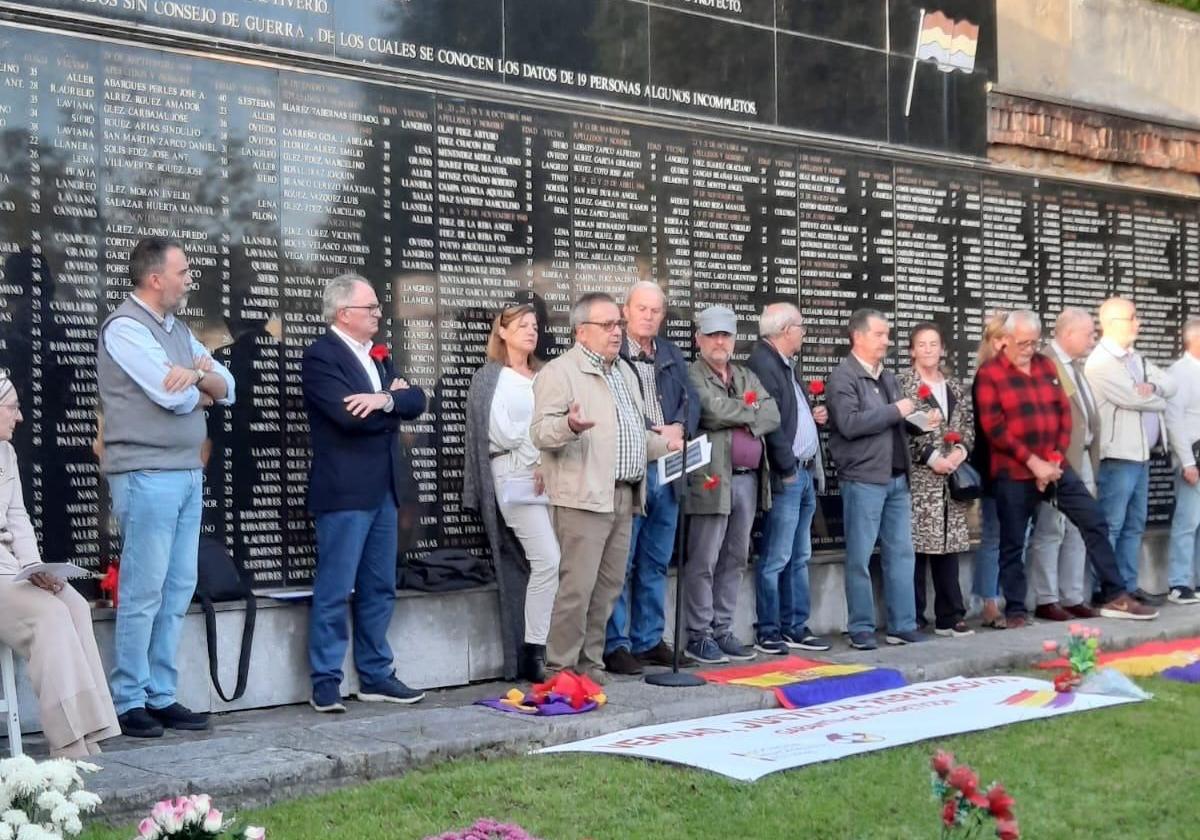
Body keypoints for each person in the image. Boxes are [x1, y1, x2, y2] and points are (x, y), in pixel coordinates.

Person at [97, 236, 235, 738]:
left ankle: (160, 693)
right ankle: (130, 698)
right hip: (147, 473)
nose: (188, 278)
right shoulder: (125, 329)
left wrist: (198, 376)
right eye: (182, 271)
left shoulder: (177, 331)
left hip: (184, 473)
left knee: (176, 587)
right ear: (156, 279)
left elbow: (229, 385)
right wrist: (203, 388)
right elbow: (169, 396)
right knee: (144, 588)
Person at [974, 310, 1157, 626]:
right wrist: (1033, 463)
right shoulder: (990, 374)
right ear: (1004, 341)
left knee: (1094, 519)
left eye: (1034, 342)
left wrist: (1053, 461)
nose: (1029, 349)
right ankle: (1016, 610)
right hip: (1015, 472)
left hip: (1055, 467)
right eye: (1022, 343)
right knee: (1013, 541)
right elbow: (994, 427)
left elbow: (1063, 413)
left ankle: (1116, 594)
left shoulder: (1046, 365)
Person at [530, 292, 678, 684]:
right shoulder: (559, 373)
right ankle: (560, 668)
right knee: (577, 589)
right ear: (581, 332)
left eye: (618, 324)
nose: (617, 332)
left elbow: (633, 435)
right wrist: (570, 427)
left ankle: (590, 666)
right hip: (583, 495)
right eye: (607, 325)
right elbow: (541, 432)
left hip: (625, 495)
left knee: (608, 587)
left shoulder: (624, 373)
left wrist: (669, 444)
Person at [302, 273, 428, 713]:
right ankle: (325, 680)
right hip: (344, 491)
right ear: (344, 313)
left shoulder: (380, 355)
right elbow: (346, 416)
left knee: (380, 586)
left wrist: (385, 401)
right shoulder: (321, 356)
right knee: (336, 587)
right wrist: (385, 400)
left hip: (385, 490)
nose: (378, 313)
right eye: (370, 307)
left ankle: (376, 674)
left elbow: (417, 400)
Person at [0, 374, 121, 757]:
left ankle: (91, 731)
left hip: (10, 568)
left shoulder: (7, 453)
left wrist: (34, 566)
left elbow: (17, 516)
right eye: (12, 406)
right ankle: (67, 743)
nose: (19, 417)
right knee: (49, 615)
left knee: (72, 605)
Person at [604, 282, 699, 676]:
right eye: (641, 309)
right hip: (635, 468)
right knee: (621, 561)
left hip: (671, 469)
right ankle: (615, 644)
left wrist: (679, 426)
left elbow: (691, 400)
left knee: (656, 560)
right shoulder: (613, 352)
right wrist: (655, 432)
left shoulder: (671, 354)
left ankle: (648, 639)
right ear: (626, 311)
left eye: (656, 311)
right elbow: (613, 405)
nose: (648, 316)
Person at [463, 303, 561, 683]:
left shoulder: (547, 374)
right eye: (522, 325)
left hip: (554, 473)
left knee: (560, 561)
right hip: (513, 475)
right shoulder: (490, 378)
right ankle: (532, 651)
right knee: (546, 558)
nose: (531, 331)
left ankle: (555, 645)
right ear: (501, 332)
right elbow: (500, 432)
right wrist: (537, 452)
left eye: (535, 325)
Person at [682, 306, 780, 664]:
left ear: (734, 339)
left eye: (725, 335)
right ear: (699, 340)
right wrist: (746, 412)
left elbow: (773, 413)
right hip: (711, 479)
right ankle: (699, 634)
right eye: (712, 335)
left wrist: (738, 411)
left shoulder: (744, 374)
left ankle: (722, 629)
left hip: (748, 480)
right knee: (705, 558)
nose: (719, 341)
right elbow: (711, 411)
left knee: (736, 558)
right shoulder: (692, 374)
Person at [827, 308, 924, 650]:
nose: (887, 341)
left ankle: (903, 624)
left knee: (901, 554)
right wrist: (897, 411)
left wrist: (922, 418)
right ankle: (862, 627)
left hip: (897, 477)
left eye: (887, 334)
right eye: (880, 334)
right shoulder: (843, 377)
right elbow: (850, 424)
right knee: (860, 557)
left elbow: (896, 420)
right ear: (858, 336)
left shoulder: (888, 377)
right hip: (864, 478)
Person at [747, 303, 831, 654]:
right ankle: (769, 629)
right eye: (801, 326)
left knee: (799, 555)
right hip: (790, 474)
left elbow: (789, 413)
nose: (804, 333)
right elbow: (771, 423)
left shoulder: (785, 364)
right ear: (785, 330)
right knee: (777, 557)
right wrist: (788, 468)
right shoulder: (764, 364)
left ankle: (796, 625)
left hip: (805, 471)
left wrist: (812, 416)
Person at [1085, 296, 1176, 603]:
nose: (1139, 323)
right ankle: (1106, 589)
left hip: (1141, 456)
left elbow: (1170, 383)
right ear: (1112, 324)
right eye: (1133, 317)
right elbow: (1132, 399)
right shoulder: (1101, 362)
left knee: (1135, 524)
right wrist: (1158, 398)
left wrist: (1154, 388)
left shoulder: (1136, 358)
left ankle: (1127, 583)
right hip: (1118, 456)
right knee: (1112, 523)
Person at [897, 323, 974, 637]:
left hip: (950, 480)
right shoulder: (903, 384)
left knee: (948, 548)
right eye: (922, 345)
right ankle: (914, 614)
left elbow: (967, 426)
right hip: (920, 478)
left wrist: (960, 452)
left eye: (934, 344)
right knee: (916, 548)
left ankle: (950, 615)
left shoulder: (954, 385)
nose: (928, 350)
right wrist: (931, 457)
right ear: (912, 350)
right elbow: (902, 428)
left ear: (942, 349)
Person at [1026, 309, 1101, 621]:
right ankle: (1047, 598)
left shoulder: (1075, 366)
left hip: (1081, 459)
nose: (1092, 340)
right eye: (1088, 334)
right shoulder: (1044, 363)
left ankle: (1072, 595)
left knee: (1078, 528)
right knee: (1051, 529)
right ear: (1068, 334)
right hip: (1056, 461)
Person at [970, 311, 1009, 628]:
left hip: (1023, 470)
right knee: (994, 535)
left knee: (1016, 536)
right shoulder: (986, 374)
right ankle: (989, 600)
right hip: (996, 469)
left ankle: (1013, 598)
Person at [1165, 317, 1200, 605]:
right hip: (1193, 458)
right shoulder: (1179, 372)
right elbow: (1174, 421)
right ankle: (1179, 582)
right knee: (1187, 521)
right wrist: (1187, 462)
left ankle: (1197, 579)